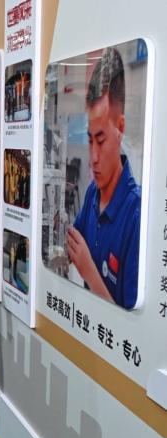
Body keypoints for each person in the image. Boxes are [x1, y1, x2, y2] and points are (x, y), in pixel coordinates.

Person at [67, 47, 140, 310]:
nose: (93, 158)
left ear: (120, 128)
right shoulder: (92, 194)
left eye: (101, 140)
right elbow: (73, 242)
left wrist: (89, 272)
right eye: (89, 141)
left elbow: (132, 325)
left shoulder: (135, 215)